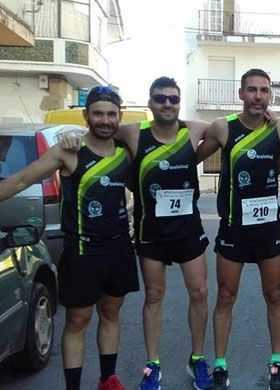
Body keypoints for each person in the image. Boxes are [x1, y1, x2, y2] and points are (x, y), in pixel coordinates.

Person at [61, 77, 214, 390]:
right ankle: (152, 364)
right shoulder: (132, 132)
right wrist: (70, 134)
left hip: (188, 230)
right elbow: (96, 133)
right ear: (150, 102)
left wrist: (273, 120)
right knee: (154, 296)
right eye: (160, 98)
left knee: (199, 293)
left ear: (179, 101)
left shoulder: (196, 130)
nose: (167, 104)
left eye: (173, 98)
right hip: (151, 231)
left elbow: (235, 128)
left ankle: (197, 359)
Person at [0, 86, 139, 390]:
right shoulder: (69, 150)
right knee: (77, 321)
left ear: (119, 117)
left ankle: (108, 380)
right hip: (82, 252)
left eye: (111, 114)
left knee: (111, 314)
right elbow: (22, 179)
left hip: (118, 248)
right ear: (86, 116)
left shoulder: (125, 152)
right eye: (98, 113)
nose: (105, 120)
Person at [196, 68, 280, 390]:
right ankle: (220, 364)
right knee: (226, 296)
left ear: (270, 96)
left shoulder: (279, 129)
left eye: (264, 90)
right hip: (233, 228)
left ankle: (277, 362)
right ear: (241, 94)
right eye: (252, 90)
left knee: (274, 295)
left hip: (268, 229)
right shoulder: (223, 128)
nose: (258, 96)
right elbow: (190, 155)